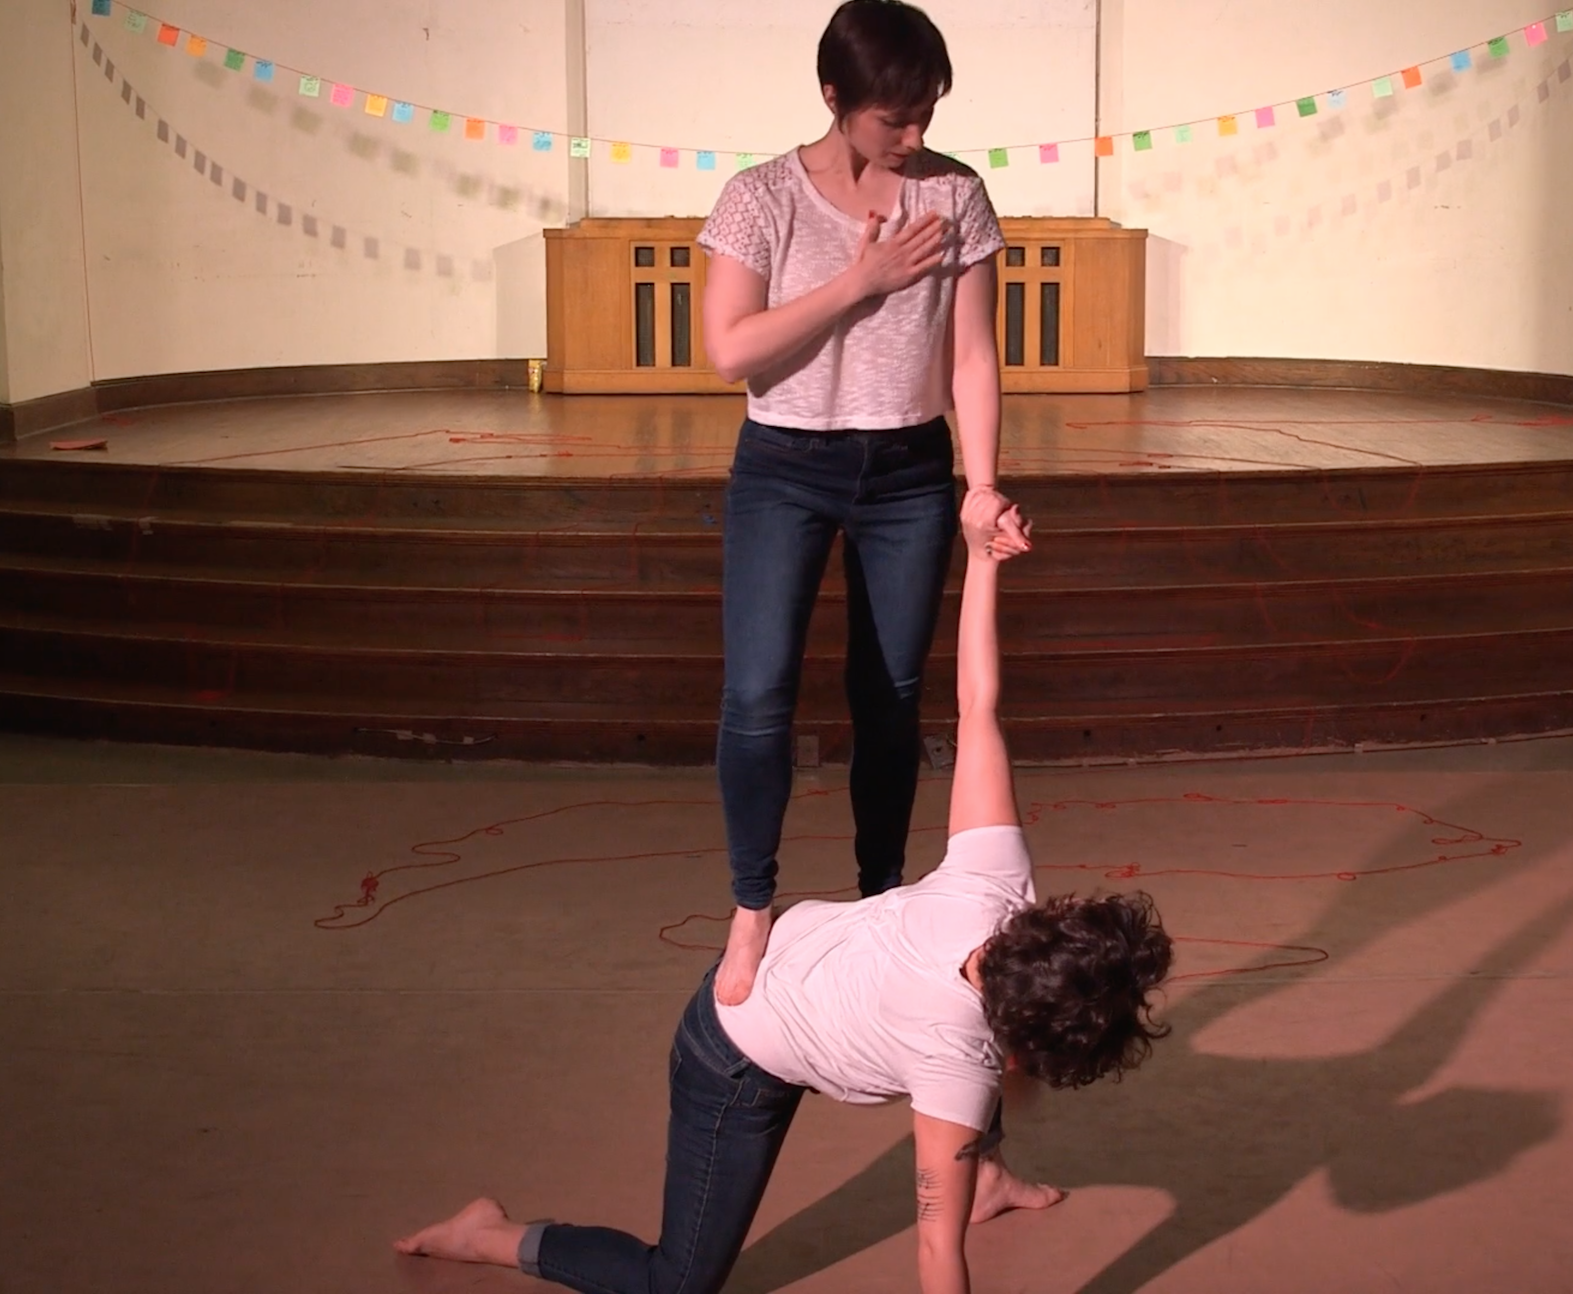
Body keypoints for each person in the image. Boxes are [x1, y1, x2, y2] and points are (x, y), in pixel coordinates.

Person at [395, 493, 1174, 1294]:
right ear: (1014, 1047)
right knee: (678, 1282)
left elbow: (978, 704)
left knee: (993, 1061)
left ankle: (993, 1182)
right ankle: (489, 1235)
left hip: (803, 963)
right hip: (735, 1049)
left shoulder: (998, 886)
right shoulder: (956, 1065)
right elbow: (937, 1256)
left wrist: (978, 558)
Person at [694, 0, 1024, 1007]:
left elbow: (971, 353)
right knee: (756, 696)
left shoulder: (956, 193)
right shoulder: (760, 198)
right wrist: (861, 278)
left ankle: (883, 903)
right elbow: (730, 348)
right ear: (835, 98)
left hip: (908, 471)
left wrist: (980, 484)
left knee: (888, 699)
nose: (914, 134)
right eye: (894, 116)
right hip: (784, 462)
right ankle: (754, 905)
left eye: (925, 111)